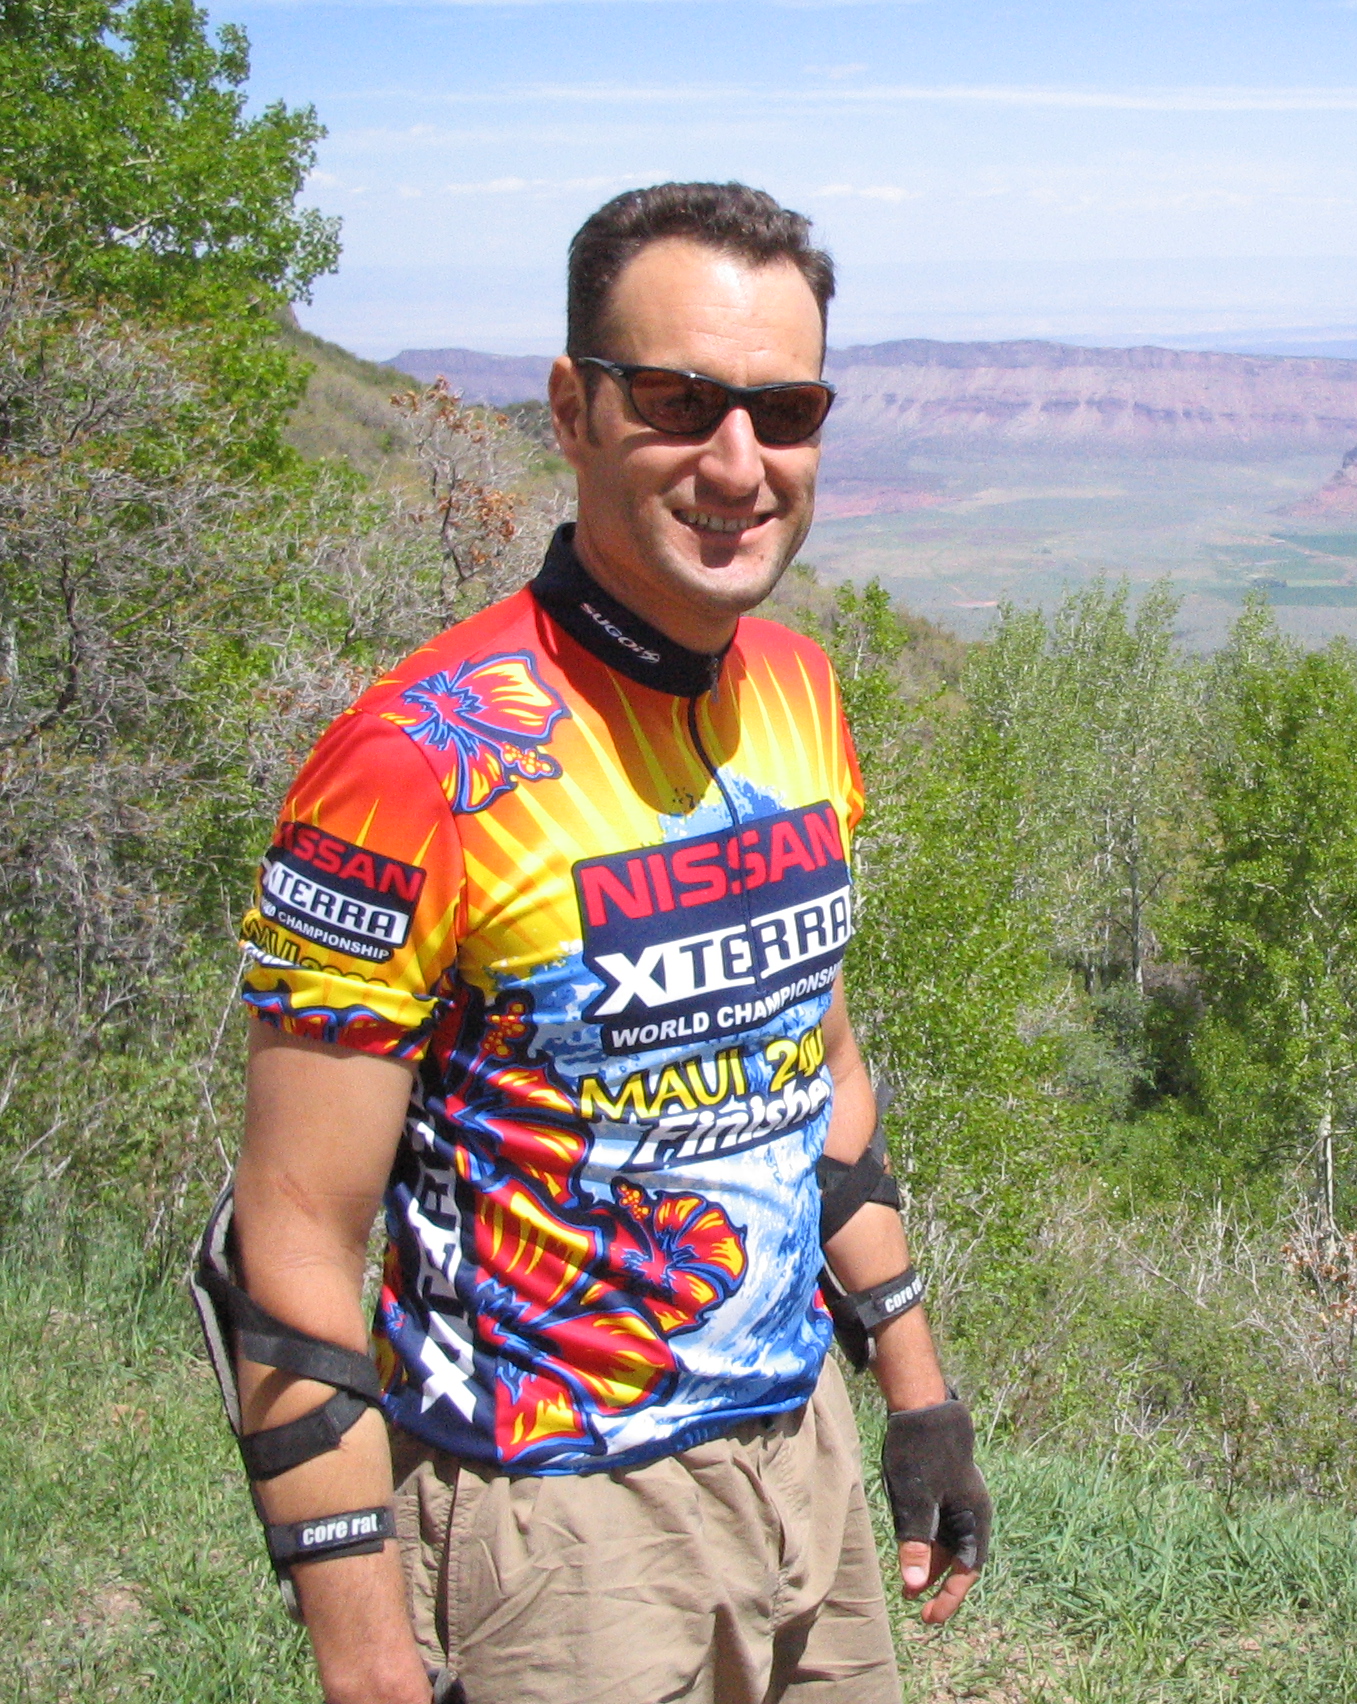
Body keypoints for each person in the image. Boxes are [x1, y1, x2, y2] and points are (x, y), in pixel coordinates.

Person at [211, 182, 988, 1704]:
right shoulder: (411, 766)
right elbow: (291, 1236)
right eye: (680, 402)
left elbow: (814, 1071)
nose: (738, 464)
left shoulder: (799, 693)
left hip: (803, 1454)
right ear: (573, 410)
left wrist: (916, 1393)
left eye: (785, 410)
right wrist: (368, 1665)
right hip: (555, 1524)